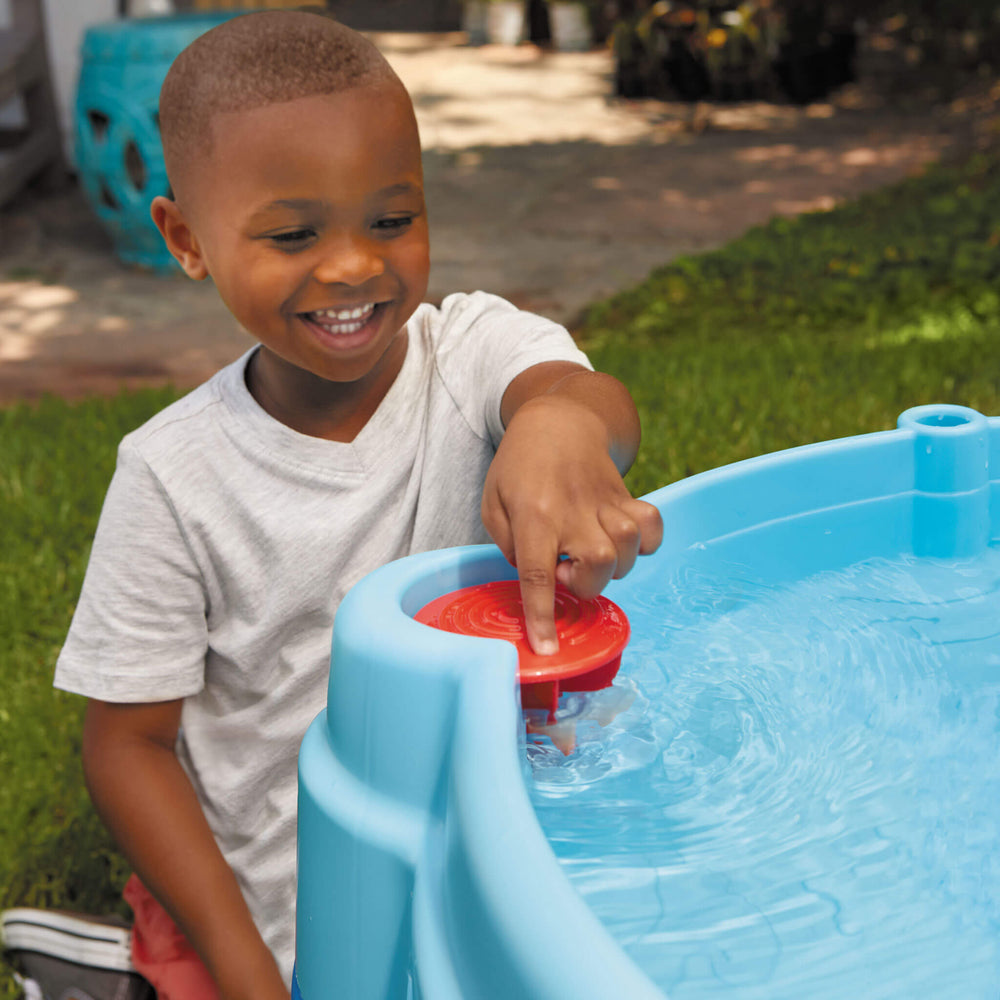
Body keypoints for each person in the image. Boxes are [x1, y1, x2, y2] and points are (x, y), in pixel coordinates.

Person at [53, 11, 663, 1000]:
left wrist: (562, 428)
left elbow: (589, 401)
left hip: (488, 828)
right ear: (187, 238)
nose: (351, 266)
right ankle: (109, 960)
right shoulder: (173, 476)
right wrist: (246, 963)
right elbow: (128, 745)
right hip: (289, 885)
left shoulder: (467, 354)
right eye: (293, 234)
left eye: (391, 218)